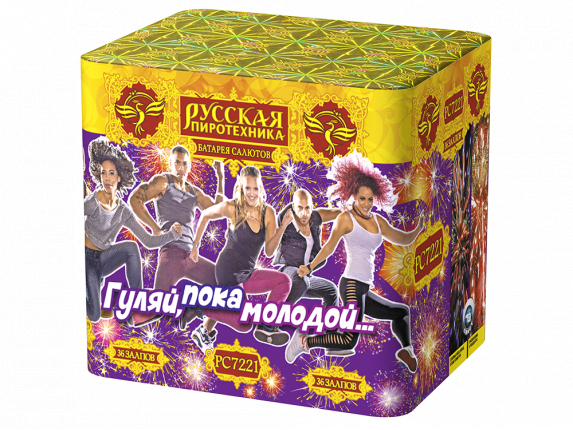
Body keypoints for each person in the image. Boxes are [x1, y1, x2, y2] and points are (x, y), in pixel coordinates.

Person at [285, 150, 423, 373]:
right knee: (349, 340)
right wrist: (309, 267)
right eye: (362, 199)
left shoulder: (377, 220)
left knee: (402, 312)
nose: (366, 204)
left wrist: (418, 230)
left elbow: (402, 238)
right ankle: (303, 342)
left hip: (364, 288)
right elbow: (329, 247)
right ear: (353, 197)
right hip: (351, 285)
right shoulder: (346, 218)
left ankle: (406, 350)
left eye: (370, 199)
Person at [130, 145, 249, 341]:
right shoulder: (163, 182)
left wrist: (220, 178)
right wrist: (155, 228)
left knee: (228, 288)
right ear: (170, 163)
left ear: (189, 166)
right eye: (177, 163)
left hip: (191, 257)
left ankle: (195, 310)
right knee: (153, 310)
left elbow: (217, 209)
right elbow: (135, 199)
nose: (181, 168)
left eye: (185, 164)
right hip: (171, 254)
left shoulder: (194, 193)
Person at [191, 165, 293, 349]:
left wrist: (283, 226)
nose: (252, 193)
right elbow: (205, 215)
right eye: (248, 188)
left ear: (261, 188)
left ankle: (266, 324)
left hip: (247, 273)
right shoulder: (232, 207)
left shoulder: (268, 213)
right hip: (227, 272)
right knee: (244, 323)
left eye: (255, 188)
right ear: (242, 188)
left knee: (283, 281)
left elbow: (269, 251)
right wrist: (195, 246)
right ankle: (200, 309)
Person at [84, 136, 182, 324]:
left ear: (119, 177)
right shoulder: (93, 202)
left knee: (131, 248)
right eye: (103, 173)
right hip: (86, 259)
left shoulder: (123, 211)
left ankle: (136, 306)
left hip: (104, 259)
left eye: (111, 173)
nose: (107, 178)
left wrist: (171, 235)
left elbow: (148, 241)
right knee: (94, 316)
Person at [273, 189, 348, 355]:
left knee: (331, 290)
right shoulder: (286, 220)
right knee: (301, 280)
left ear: (312, 208)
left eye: (307, 208)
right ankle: (272, 321)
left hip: (305, 275)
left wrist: (351, 208)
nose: (304, 213)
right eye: (300, 208)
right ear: (293, 207)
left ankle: (331, 340)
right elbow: (270, 226)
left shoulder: (315, 218)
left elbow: (338, 213)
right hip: (288, 272)